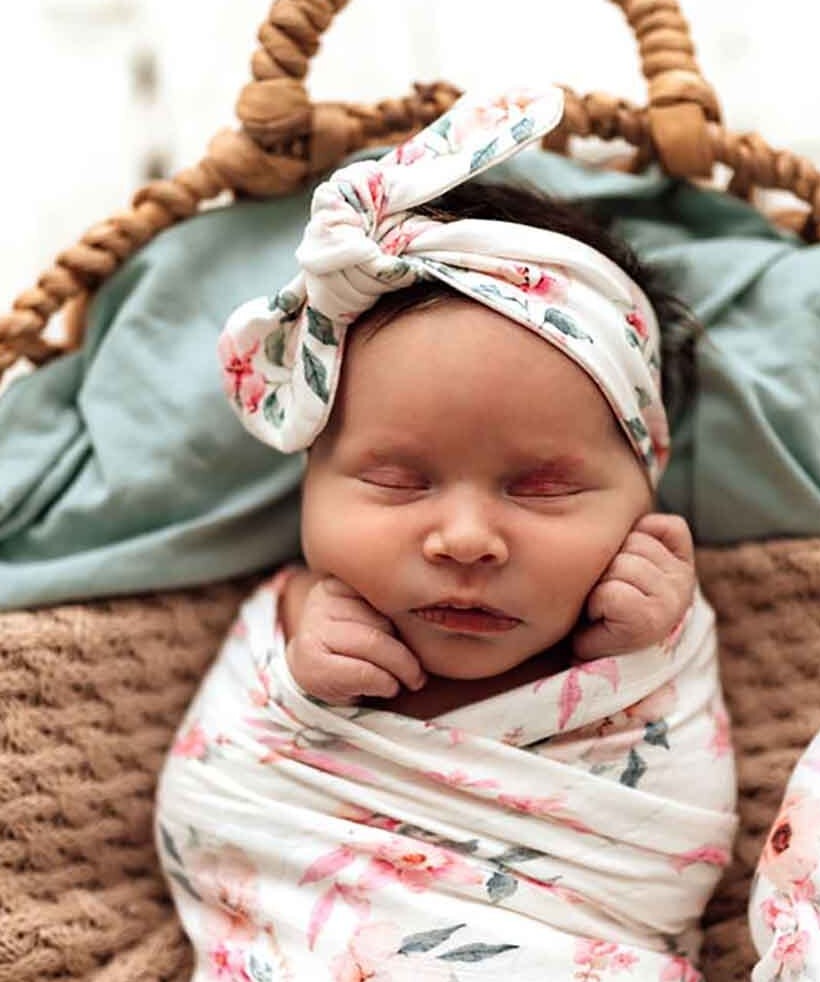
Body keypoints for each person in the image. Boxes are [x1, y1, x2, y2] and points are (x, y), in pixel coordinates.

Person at [156, 86, 737, 981]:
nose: (466, 539)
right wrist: (306, 679)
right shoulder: (301, 622)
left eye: (543, 489)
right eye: (396, 481)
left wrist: (639, 658)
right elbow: (226, 799)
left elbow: (672, 831)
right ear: (309, 476)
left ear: (646, 491)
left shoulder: (646, 629)